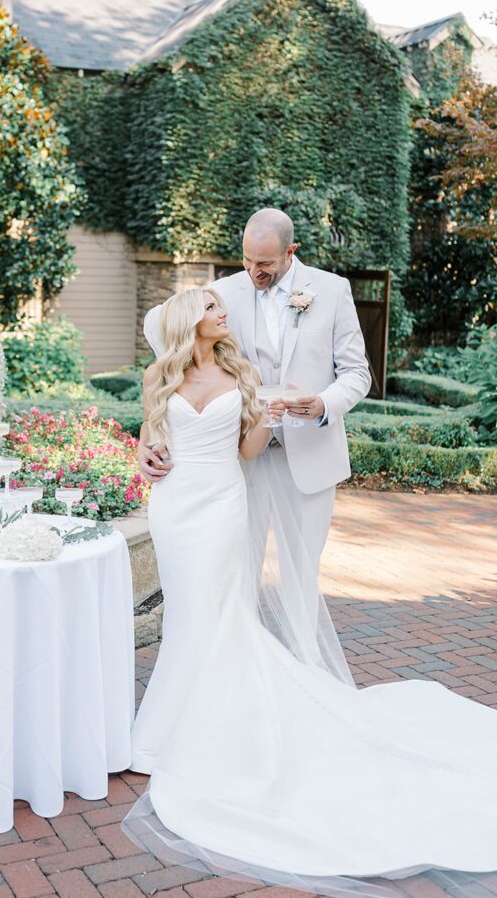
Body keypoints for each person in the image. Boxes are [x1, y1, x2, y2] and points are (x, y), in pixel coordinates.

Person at [124, 286, 497, 898]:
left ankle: (206, 726)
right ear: (192, 320)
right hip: (173, 508)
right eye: (212, 306)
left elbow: (244, 453)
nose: (222, 311)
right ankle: (172, 722)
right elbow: (149, 439)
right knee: (187, 612)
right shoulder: (158, 376)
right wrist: (147, 456)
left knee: (220, 611)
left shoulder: (244, 373)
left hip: (220, 505)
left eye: (221, 304)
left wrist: (265, 422)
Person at [140, 209, 371, 682]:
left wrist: (321, 404)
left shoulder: (331, 290)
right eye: (246, 260)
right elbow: (165, 345)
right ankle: (240, 681)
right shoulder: (220, 294)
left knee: (300, 574)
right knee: (232, 574)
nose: (253, 271)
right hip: (236, 464)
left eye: (264, 263)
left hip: (310, 458)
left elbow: (357, 374)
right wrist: (150, 442)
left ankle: (305, 679)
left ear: (292, 252)